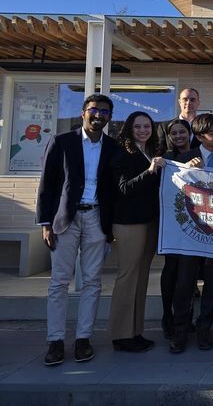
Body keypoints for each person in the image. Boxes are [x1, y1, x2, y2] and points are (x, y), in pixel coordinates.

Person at [38, 94, 118, 366]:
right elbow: (47, 184)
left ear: (109, 117)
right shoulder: (62, 141)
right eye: (94, 110)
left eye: (105, 112)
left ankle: (83, 338)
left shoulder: (112, 146)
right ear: (84, 112)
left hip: (97, 219)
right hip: (65, 220)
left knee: (93, 282)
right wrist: (45, 223)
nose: (99, 115)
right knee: (59, 281)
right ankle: (55, 341)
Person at [169, 113, 213, 354]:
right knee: (185, 282)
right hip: (190, 233)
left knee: (212, 283)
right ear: (199, 136)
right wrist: (185, 171)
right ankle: (180, 330)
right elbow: (170, 186)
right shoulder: (184, 159)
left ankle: (204, 328)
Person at [108, 111, 164, 353]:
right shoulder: (123, 153)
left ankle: (135, 331)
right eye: (138, 126)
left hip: (149, 221)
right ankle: (121, 334)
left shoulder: (151, 152)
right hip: (129, 223)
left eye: (147, 126)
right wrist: (150, 171)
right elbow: (124, 188)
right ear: (129, 128)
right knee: (128, 276)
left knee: (141, 278)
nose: (143, 130)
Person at [159, 118, 193, 338]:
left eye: (182, 132)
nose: (179, 136)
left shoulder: (198, 156)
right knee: (171, 272)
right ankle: (167, 317)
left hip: (195, 224)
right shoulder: (166, 158)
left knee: (186, 276)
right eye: (174, 133)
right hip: (172, 224)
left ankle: (182, 320)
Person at [157, 88, 202, 155]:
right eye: (185, 99)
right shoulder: (164, 127)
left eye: (192, 100)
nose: (188, 103)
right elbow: (160, 152)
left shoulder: (205, 127)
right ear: (179, 102)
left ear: (198, 103)